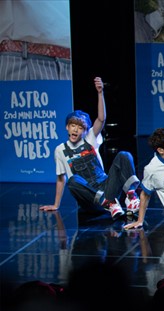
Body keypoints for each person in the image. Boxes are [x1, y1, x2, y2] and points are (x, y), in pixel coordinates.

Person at [39, 77, 141, 220]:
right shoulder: (60, 150)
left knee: (124, 155)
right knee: (73, 180)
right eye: (73, 126)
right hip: (90, 199)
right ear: (67, 127)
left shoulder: (90, 139)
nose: (76, 130)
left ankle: (130, 197)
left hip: (106, 188)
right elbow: (61, 179)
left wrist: (100, 93)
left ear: (85, 131)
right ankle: (108, 203)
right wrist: (56, 205)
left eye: (80, 127)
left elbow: (101, 119)